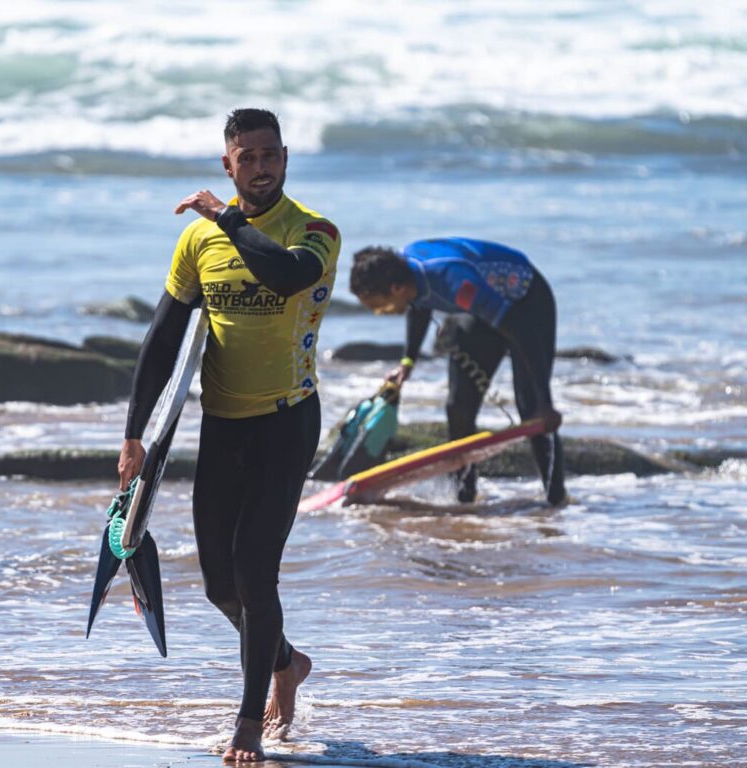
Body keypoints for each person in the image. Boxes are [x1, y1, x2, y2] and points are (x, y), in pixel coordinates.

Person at [117, 108, 340, 763]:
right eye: (248, 157)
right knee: (219, 584)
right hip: (223, 423)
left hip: (287, 420)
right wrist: (134, 435)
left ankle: (249, 721)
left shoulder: (315, 231)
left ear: (287, 158)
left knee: (254, 569)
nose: (261, 166)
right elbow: (163, 339)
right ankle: (287, 662)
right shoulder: (198, 243)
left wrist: (229, 218)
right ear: (228, 164)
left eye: (271, 154)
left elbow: (286, 275)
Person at [349, 238, 566, 505]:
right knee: (458, 408)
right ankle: (465, 499)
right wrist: (408, 363)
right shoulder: (407, 276)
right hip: (480, 310)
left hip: (526, 305)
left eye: (377, 306)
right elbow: (418, 306)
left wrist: (545, 401)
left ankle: (556, 502)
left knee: (533, 411)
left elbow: (518, 329)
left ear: (395, 288)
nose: (379, 313)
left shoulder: (453, 279)